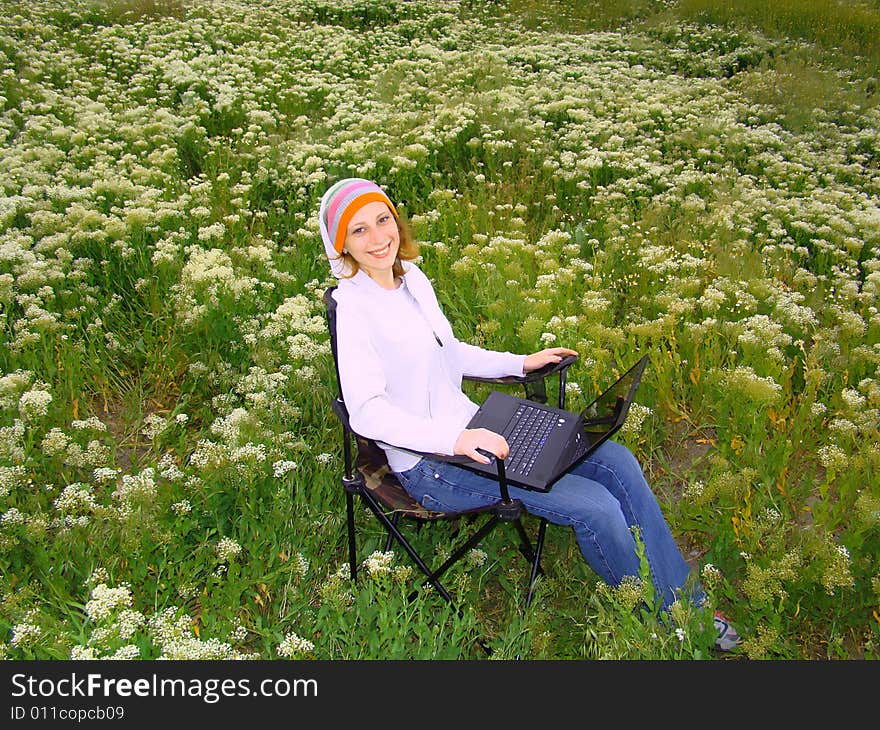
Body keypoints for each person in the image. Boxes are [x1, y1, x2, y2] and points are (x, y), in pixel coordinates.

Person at [319, 177, 741, 651]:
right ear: (342, 247)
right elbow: (367, 414)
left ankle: (689, 602)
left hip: (475, 428)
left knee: (618, 461)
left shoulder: (412, 280)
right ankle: (672, 620)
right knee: (595, 506)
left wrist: (520, 363)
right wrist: (453, 441)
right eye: (358, 231)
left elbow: (449, 352)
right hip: (430, 465)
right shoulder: (354, 308)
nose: (378, 239)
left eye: (382, 220)